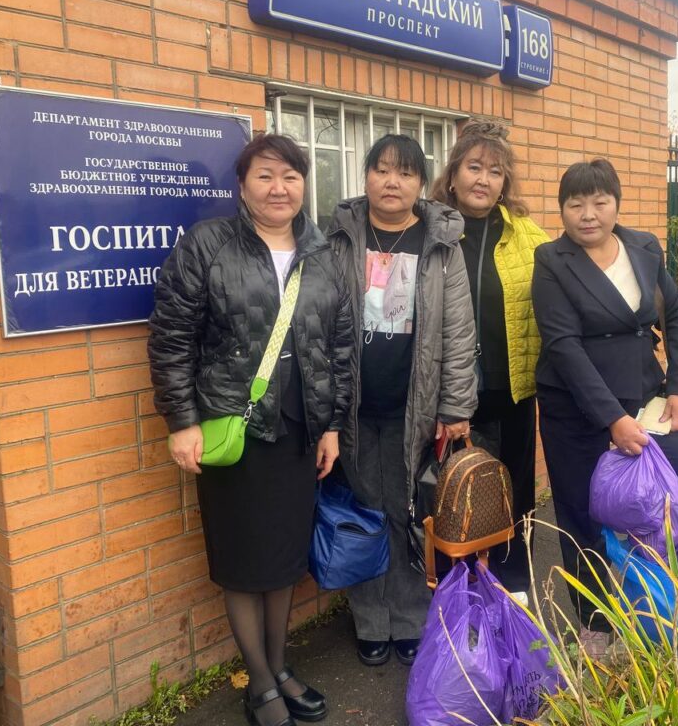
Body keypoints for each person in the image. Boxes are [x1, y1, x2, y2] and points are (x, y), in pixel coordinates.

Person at [147, 134, 353, 726]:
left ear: (304, 184)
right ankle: (259, 683)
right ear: (242, 186)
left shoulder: (323, 252)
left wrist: (331, 425)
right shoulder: (208, 245)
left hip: (299, 429)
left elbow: (339, 347)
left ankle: (280, 667)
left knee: (284, 557)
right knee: (242, 558)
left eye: (290, 176)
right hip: (231, 428)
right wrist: (181, 422)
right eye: (265, 176)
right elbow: (172, 338)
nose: (278, 188)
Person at [532, 158, 678, 657]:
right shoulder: (551, 260)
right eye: (575, 204)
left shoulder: (643, 246)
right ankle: (596, 620)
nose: (588, 214)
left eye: (600, 202)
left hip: (644, 395)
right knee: (582, 512)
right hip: (577, 407)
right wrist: (611, 419)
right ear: (562, 210)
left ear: (616, 203)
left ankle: (665, 589)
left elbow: (677, 315)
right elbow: (563, 345)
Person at [328, 134, 477, 668]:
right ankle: (371, 620)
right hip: (353, 406)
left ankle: (412, 618)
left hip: (417, 408)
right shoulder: (340, 238)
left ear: (420, 183)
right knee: (365, 514)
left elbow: (459, 331)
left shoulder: (441, 244)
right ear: (366, 175)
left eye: (406, 172)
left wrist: (455, 407)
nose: (392, 182)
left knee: (411, 513)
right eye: (382, 170)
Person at [430, 121, 548, 602]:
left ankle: (513, 587)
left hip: (511, 390)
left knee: (514, 491)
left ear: (505, 182)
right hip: (448, 397)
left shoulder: (526, 235)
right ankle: (456, 592)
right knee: (452, 494)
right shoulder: (431, 230)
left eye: (495, 171)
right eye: (474, 167)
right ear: (453, 174)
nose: (483, 179)